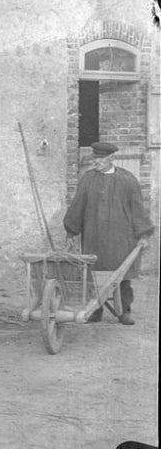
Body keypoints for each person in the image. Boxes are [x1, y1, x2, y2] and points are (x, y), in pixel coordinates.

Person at [64, 140, 154, 326]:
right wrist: (71, 232)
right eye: (95, 158)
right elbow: (78, 206)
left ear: (112, 158)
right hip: (94, 236)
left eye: (101, 159)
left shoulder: (127, 179)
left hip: (121, 238)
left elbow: (138, 209)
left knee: (122, 276)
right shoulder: (88, 179)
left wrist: (144, 235)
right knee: (93, 275)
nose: (97, 162)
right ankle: (96, 311)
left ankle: (124, 312)